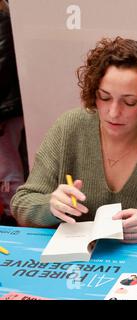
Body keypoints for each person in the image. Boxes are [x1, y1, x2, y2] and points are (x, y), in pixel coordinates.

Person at [11, 37, 137, 243]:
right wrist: (50, 206)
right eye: (104, 97)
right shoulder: (69, 127)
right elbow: (22, 203)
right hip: (74, 266)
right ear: (93, 93)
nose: (113, 112)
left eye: (129, 102)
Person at [0, 0, 28, 225]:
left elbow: (3, 67)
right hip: (7, 106)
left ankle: (12, 216)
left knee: (7, 169)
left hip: (6, 109)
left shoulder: (3, 18)